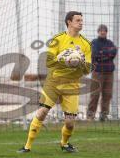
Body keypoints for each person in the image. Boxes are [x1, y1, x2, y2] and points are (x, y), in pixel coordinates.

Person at [18, 11, 92, 153]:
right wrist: (64, 58)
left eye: (82, 20)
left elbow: (87, 70)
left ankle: (64, 144)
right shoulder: (57, 40)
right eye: (78, 20)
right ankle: (27, 147)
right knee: (42, 112)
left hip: (72, 86)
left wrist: (80, 62)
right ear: (69, 22)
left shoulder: (86, 44)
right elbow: (49, 63)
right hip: (54, 83)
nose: (81, 23)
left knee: (70, 123)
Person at [87, 24, 117, 121]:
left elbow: (113, 52)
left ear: (106, 32)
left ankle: (103, 116)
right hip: (98, 72)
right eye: (101, 30)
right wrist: (106, 54)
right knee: (95, 94)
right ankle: (90, 116)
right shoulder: (94, 43)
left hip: (109, 73)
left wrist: (102, 54)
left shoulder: (110, 43)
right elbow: (95, 54)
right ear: (98, 32)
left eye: (104, 30)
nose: (103, 32)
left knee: (107, 95)